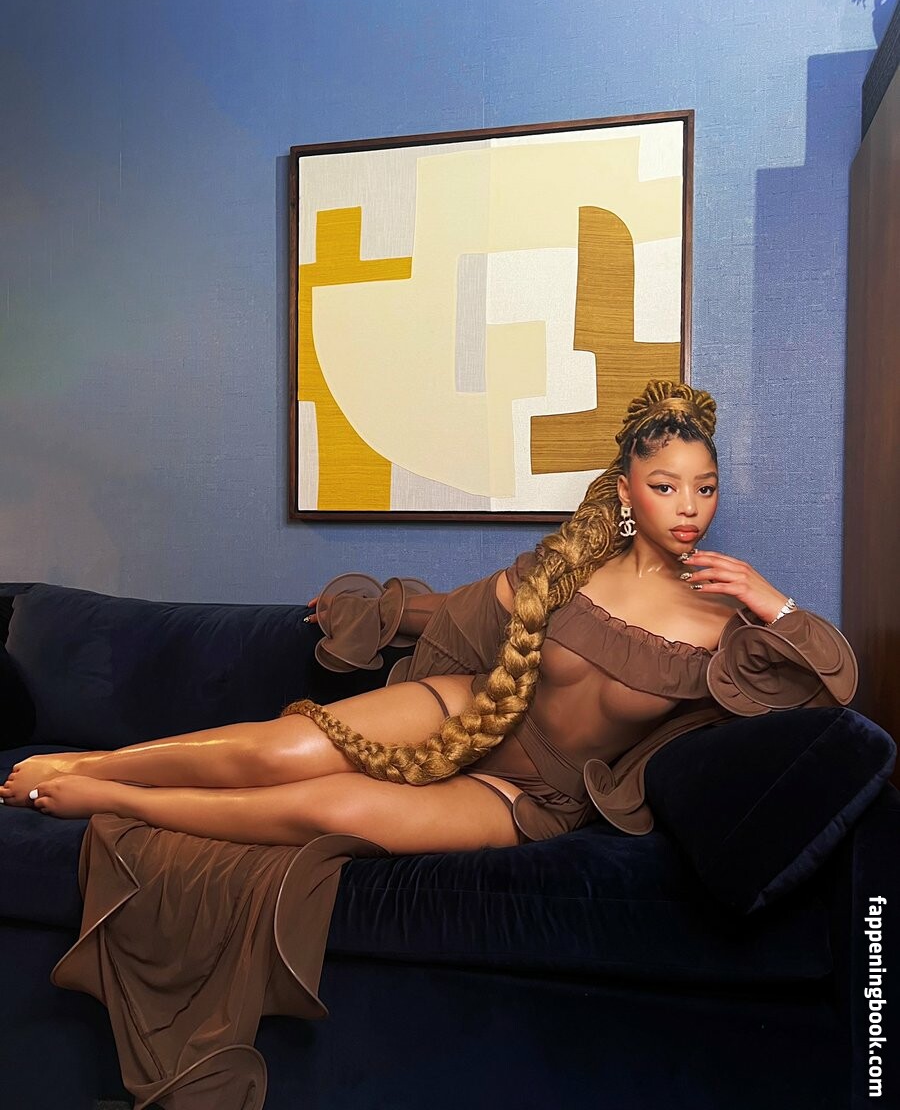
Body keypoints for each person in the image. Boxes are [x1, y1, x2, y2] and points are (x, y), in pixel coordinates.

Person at [0, 377, 858, 1110]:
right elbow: (462, 609)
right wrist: (380, 610)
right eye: (667, 486)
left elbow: (834, 694)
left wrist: (772, 602)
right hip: (465, 708)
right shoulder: (572, 565)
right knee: (281, 751)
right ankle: (94, 761)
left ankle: (111, 798)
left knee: (325, 810)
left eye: (706, 488)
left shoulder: (724, 623)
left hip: (527, 795)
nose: (690, 508)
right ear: (627, 489)